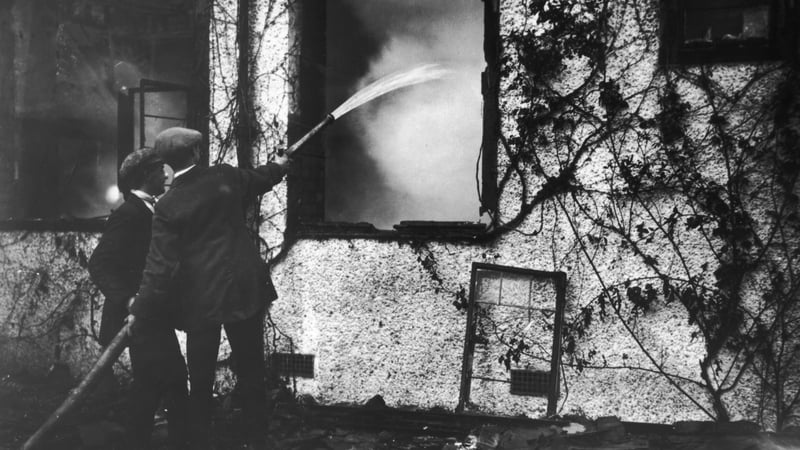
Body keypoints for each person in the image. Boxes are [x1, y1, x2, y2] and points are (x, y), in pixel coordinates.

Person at [129, 127, 290, 450]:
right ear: (196, 153)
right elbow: (261, 178)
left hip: (201, 300)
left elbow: (158, 269)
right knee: (251, 370)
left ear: (167, 163)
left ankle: (199, 441)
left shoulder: (168, 205)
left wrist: (139, 310)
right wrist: (281, 165)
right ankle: (256, 439)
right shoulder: (225, 177)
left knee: (200, 379)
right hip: (244, 291)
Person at [89, 147, 188, 449]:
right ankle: (176, 441)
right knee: (167, 377)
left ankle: (153, 440)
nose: (165, 174)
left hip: (151, 313)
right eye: (159, 169)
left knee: (156, 380)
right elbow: (99, 263)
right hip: (137, 315)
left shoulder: (151, 209)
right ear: (146, 175)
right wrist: (128, 300)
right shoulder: (129, 214)